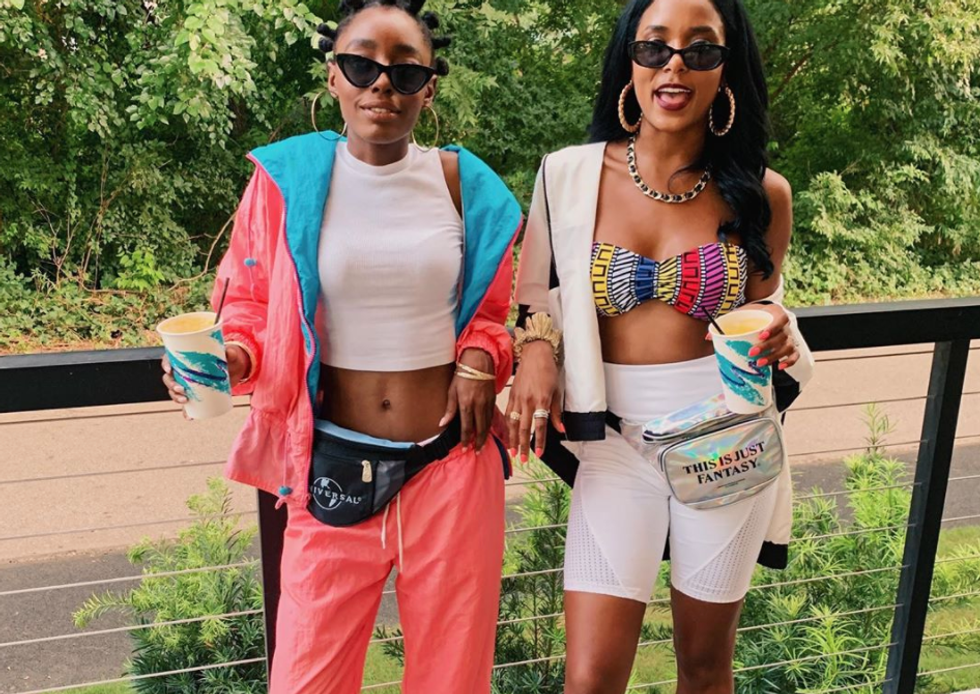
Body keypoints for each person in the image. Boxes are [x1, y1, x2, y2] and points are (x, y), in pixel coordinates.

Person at [162, 1, 522, 691]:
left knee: (453, 680)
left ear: (429, 87)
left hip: (451, 467)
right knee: (306, 678)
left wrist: (481, 357)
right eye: (361, 64)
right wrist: (228, 359)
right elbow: (249, 305)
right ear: (333, 77)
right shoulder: (284, 182)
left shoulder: (465, 185)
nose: (381, 83)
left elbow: (495, 313)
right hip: (330, 465)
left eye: (405, 71)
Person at [508, 0, 815, 692]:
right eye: (654, 47)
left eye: (700, 50)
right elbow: (535, 295)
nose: (674, 65)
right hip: (614, 445)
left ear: (726, 68)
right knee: (590, 678)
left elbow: (762, 307)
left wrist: (777, 326)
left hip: (726, 438)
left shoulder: (764, 193)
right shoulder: (567, 176)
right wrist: (537, 351)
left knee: (704, 669)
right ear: (630, 59)